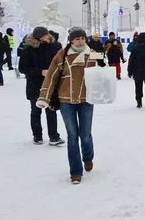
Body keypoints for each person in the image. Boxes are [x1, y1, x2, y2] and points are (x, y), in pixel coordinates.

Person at [36, 27, 97, 185]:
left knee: (85, 135)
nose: (80, 41)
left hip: (86, 100)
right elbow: (50, 77)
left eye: (82, 38)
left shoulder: (93, 53)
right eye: (77, 38)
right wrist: (44, 97)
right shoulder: (62, 54)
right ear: (71, 40)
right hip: (66, 101)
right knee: (72, 137)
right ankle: (76, 172)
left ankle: (88, 157)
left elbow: (103, 73)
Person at [18, 26, 64, 145]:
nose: (47, 36)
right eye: (44, 35)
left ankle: (54, 136)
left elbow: (61, 62)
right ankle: (37, 135)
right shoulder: (29, 49)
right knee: (36, 111)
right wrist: (40, 72)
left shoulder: (55, 46)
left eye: (47, 34)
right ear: (38, 37)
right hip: (35, 85)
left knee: (51, 110)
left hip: (50, 84)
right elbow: (22, 68)